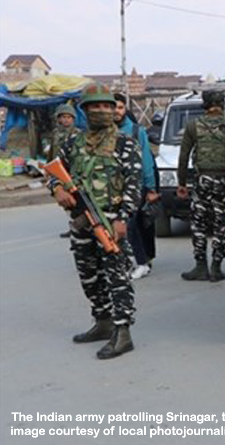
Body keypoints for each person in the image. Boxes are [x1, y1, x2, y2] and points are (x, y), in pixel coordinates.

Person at [48, 82, 141, 359]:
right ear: (85, 110)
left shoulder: (126, 143)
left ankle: (123, 332)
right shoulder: (72, 143)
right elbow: (54, 172)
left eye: (106, 106)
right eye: (95, 106)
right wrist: (58, 189)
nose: (102, 111)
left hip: (111, 222)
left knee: (117, 277)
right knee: (88, 276)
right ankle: (102, 322)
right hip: (81, 221)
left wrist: (123, 218)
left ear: (114, 110)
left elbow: (133, 185)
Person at [177, 89, 225, 282]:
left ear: (204, 104)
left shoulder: (193, 126)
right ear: (222, 104)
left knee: (199, 224)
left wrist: (182, 182)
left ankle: (200, 266)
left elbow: (184, 156)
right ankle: (216, 267)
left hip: (201, 180)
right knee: (220, 224)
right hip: (223, 181)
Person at [113, 93, 158, 280]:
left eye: (120, 107)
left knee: (129, 225)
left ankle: (141, 263)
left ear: (125, 109)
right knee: (122, 227)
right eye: (113, 107)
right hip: (113, 188)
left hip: (134, 186)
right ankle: (132, 262)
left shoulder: (136, 131)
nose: (116, 111)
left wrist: (151, 187)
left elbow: (147, 159)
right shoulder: (104, 132)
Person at [49, 104, 82, 238]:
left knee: (75, 199)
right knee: (64, 200)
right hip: (58, 170)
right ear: (58, 119)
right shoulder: (56, 133)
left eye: (69, 117)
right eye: (63, 117)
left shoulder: (78, 134)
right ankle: (73, 223)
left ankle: (79, 224)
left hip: (72, 171)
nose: (66, 120)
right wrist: (48, 168)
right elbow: (52, 152)